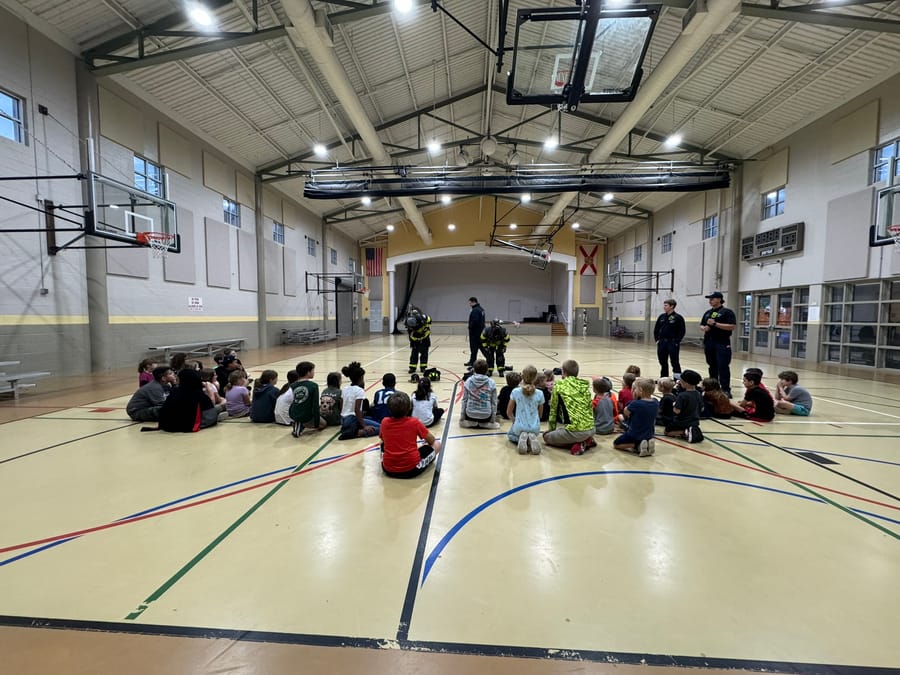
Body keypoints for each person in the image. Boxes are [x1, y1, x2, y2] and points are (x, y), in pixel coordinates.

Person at [380, 392, 441, 479]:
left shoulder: (384, 422)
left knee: (383, 443)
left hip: (388, 469)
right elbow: (432, 440)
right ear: (409, 408)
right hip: (411, 469)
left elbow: (383, 440)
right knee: (437, 444)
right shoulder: (414, 422)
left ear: (389, 409)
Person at [543, 359, 596, 456]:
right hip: (592, 429)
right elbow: (589, 407)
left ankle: (580, 443)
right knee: (566, 432)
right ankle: (586, 439)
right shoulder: (584, 385)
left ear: (563, 372)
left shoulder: (559, 385)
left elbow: (553, 411)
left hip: (575, 431)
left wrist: (551, 430)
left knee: (546, 437)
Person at [700, 291, 737, 397]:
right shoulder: (708, 313)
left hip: (722, 342)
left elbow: (732, 326)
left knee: (723, 366)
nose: (710, 301)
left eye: (712, 298)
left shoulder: (727, 312)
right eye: (709, 299)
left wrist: (715, 324)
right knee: (712, 366)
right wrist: (704, 328)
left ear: (719, 299)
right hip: (709, 342)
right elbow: (702, 325)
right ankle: (713, 387)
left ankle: (725, 389)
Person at [613, 378, 660, 456]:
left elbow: (626, 413)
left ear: (640, 390)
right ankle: (646, 442)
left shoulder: (635, 404)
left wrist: (633, 401)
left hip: (634, 433)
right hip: (649, 433)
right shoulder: (655, 402)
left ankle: (637, 445)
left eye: (634, 389)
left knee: (616, 444)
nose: (633, 391)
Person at [507, 365, 544, 454]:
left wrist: (514, 420)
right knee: (531, 430)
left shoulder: (515, 392)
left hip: (519, 426)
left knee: (510, 434)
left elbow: (509, 412)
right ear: (535, 378)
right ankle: (530, 438)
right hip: (535, 428)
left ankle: (523, 439)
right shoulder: (540, 393)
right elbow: (540, 415)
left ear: (522, 377)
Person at [339, 361, 380, 439]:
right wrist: (364, 426)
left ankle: (348, 429)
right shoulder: (359, 390)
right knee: (381, 428)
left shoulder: (345, 389)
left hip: (343, 420)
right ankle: (357, 433)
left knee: (370, 420)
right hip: (352, 419)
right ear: (361, 378)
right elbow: (357, 410)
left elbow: (341, 406)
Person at [664, 369, 704, 442]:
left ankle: (685, 432)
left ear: (686, 383)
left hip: (682, 421)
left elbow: (677, 411)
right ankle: (690, 430)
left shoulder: (682, 395)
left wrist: (674, 405)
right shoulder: (698, 394)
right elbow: (702, 409)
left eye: (681, 381)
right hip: (695, 421)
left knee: (667, 432)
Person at [289, 361, 327, 437]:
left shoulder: (292, 385)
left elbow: (292, 402)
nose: (314, 372)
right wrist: (317, 423)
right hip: (307, 416)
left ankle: (298, 422)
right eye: (313, 370)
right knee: (324, 424)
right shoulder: (313, 386)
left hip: (294, 414)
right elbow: (315, 405)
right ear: (308, 372)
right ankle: (302, 425)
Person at [459, 359, 499, 429]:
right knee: (497, 400)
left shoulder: (468, 381)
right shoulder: (491, 382)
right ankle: (485, 424)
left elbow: (464, 400)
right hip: (486, 416)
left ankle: (471, 423)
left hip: (470, 415)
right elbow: (494, 402)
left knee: (462, 422)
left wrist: (462, 417)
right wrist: (492, 420)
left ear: (473, 370)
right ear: (487, 370)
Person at [654, 299, 686, 379]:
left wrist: (676, 341)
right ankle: (664, 378)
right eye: (664, 305)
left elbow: (682, 331)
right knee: (662, 361)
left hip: (672, 342)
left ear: (672, 306)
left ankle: (677, 379)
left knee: (674, 361)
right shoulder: (662, 316)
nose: (664, 307)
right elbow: (656, 329)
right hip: (662, 342)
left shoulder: (678, 317)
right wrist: (657, 340)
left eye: (666, 305)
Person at [405, 306, 432, 375]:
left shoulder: (424, 319)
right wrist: (417, 339)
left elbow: (429, 323)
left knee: (424, 354)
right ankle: (412, 368)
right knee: (414, 354)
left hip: (425, 339)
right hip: (415, 341)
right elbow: (411, 337)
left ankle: (423, 367)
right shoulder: (409, 325)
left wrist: (423, 335)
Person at [466, 296, 486, 367]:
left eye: (470, 302)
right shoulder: (481, 309)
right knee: (482, 347)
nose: (469, 304)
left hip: (475, 333)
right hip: (480, 332)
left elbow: (475, 321)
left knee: (474, 348)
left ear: (473, 302)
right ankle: (489, 359)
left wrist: (470, 327)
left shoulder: (475, 310)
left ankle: (472, 362)